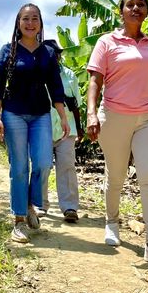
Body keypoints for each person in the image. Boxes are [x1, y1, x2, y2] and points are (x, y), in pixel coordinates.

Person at [86, 0, 148, 265]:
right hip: (115, 116)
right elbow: (95, 80)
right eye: (130, 5)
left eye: (141, 4)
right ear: (121, 11)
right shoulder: (107, 41)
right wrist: (91, 114)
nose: (136, 8)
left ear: (147, 10)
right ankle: (111, 222)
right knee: (117, 175)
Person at [0, 3, 70, 244]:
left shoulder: (47, 52)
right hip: (13, 113)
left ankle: (30, 204)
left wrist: (63, 117)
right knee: (19, 167)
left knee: (44, 163)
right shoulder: (8, 50)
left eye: (35, 18)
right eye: (25, 18)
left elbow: (56, 86)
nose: (30, 23)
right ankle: (19, 219)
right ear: (18, 23)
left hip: (40, 114)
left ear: (40, 23)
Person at [41, 40, 84, 223]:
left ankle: (69, 207)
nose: (54, 57)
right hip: (43, 127)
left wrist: (79, 127)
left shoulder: (69, 75)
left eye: (56, 54)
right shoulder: (36, 74)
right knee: (42, 166)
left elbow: (75, 104)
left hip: (67, 128)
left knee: (66, 166)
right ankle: (41, 204)